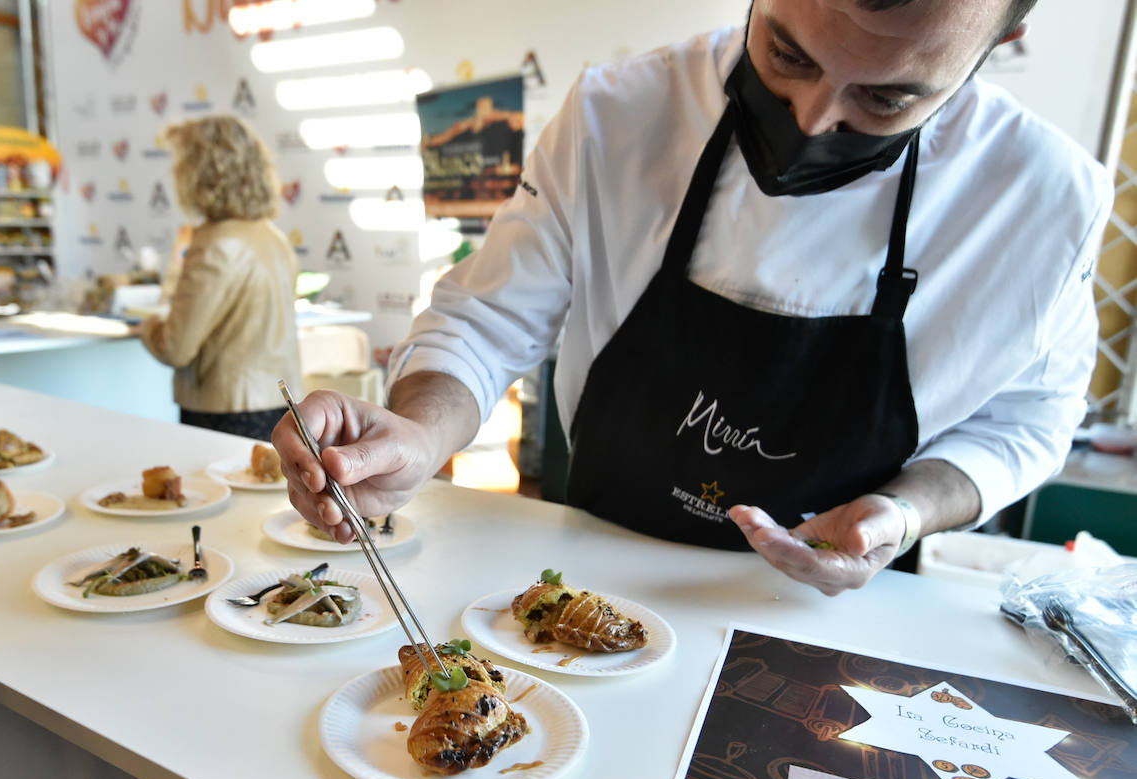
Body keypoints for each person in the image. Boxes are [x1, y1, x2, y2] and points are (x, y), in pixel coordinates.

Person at [274, 0, 1111, 596]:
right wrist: (420, 432)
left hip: (824, 622)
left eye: (889, 96)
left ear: (1004, 38)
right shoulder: (620, 114)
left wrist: (900, 513)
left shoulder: (1042, 202)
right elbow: (484, 321)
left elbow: (1029, 420)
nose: (815, 118)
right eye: (788, 54)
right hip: (584, 590)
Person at [138, 115, 302, 440]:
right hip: (281, 403)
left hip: (223, 410)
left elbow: (175, 347)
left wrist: (147, 325)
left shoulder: (215, 243)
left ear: (200, 172)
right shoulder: (273, 237)